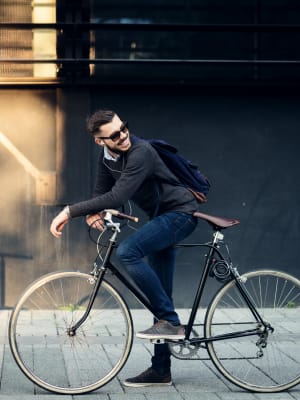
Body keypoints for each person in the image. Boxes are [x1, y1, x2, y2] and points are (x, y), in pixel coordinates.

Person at [50, 109, 199, 387]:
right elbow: (102, 192)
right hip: (161, 218)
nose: (123, 136)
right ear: (100, 141)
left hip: (180, 214)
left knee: (128, 251)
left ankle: (169, 321)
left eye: (124, 128)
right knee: (160, 294)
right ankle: (161, 370)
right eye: (115, 135)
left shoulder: (141, 152)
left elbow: (119, 195)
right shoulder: (107, 157)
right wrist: (94, 212)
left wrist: (70, 211)